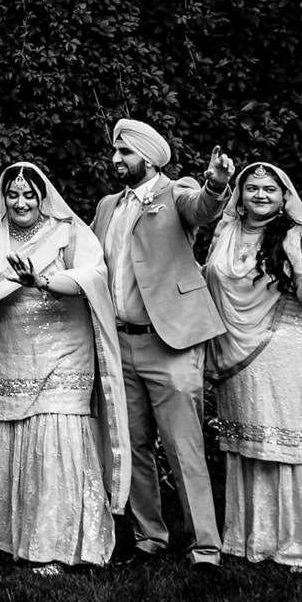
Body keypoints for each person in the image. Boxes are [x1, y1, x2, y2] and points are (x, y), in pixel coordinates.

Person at [0, 162, 127, 573]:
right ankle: (16, 538)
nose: (20, 202)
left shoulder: (68, 232)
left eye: (28, 194)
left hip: (65, 351)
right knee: (19, 439)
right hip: (12, 353)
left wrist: (40, 282)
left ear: (42, 196)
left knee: (57, 439)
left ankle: (60, 546)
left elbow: (92, 277)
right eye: (12, 195)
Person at [89, 118, 231, 566]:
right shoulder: (107, 206)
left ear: (148, 157)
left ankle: (205, 545)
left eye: (125, 153)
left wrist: (218, 184)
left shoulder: (178, 192)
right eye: (114, 152)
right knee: (132, 445)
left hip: (170, 343)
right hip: (120, 343)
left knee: (183, 445)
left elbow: (202, 207)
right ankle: (150, 536)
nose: (116, 160)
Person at [203, 163, 302, 572]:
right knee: (250, 441)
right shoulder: (226, 231)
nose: (261, 195)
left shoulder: (294, 234)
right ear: (241, 193)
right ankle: (251, 538)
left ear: (285, 195)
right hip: (238, 350)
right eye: (252, 187)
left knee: (290, 444)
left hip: (291, 344)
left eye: (270, 188)